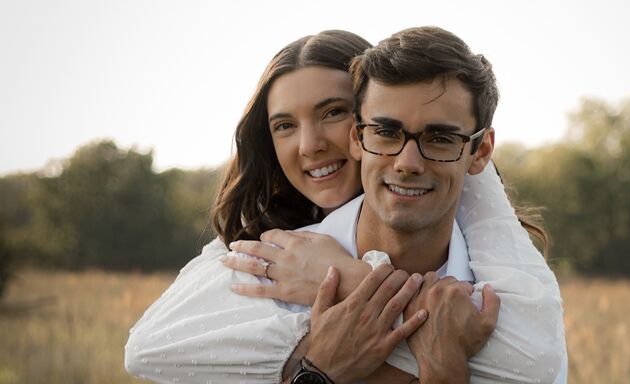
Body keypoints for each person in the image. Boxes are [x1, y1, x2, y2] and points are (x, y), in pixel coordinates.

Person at [125, 28, 566, 383]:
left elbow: (536, 368)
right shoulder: (265, 260)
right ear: (363, 136)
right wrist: (317, 366)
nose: (312, 145)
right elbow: (146, 350)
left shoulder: (499, 275)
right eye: (284, 125)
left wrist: (358, 287)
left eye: (332, 112)